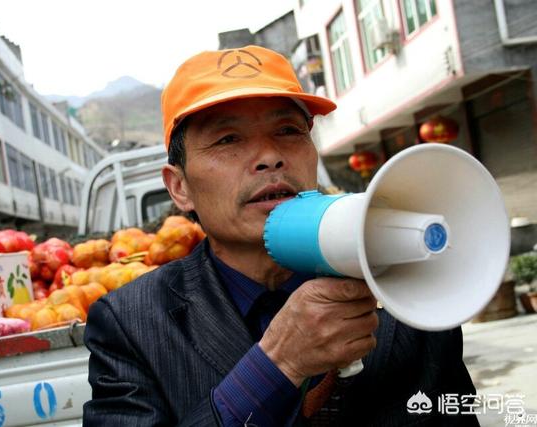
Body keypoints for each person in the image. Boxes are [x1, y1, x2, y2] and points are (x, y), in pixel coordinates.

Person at [84, 45, 479, 426]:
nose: (270, 157)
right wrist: (278, 366)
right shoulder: (130, 324)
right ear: (179, 187)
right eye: (228, 139)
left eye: (288, 130)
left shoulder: (410, 288)